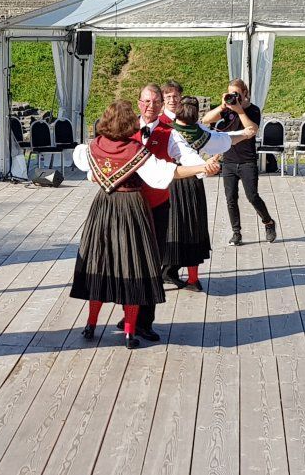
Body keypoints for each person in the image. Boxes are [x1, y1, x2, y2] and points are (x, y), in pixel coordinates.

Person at [71, 99, 218, 349]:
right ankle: (130, 332)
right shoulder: (135, 151)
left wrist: (99, 176)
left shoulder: (92, 146)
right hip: (130, 210)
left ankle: (91, 323)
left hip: (103, 209)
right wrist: (203, 166)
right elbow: (167, 173)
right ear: (129, 123)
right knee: (133, 266)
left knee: (100, 262)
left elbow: (87, 168)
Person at [165, 95, 258, 292]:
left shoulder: (173, 130)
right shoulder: (196, 131)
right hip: (186, 181)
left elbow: (221, 139)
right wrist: (245, 134)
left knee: (173, 229)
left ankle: (169, 272)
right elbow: (223, 140)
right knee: (190, 229)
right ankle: (186, 276)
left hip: (175, 181)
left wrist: (244, 133)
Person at [202, 78, 277, 246]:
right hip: (228, 161)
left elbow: (252, 130)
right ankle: (236, 233)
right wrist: (223, 106)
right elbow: (206, 120)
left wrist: (240, 110)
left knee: (252, 196)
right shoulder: (227, 110)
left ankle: (268, 222)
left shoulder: (253, 110)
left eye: (237, 93)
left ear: (245, 93)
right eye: (230, 93)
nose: (234, 97)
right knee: (230, 198)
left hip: (247, 161)